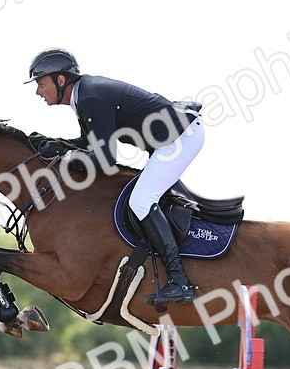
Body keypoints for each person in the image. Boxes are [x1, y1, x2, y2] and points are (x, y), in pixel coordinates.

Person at [26, 48, 203, 304]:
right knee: (142, 197)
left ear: (60, 80)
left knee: (141, 200)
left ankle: (179, 280)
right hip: (169, 140)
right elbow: (90, 143)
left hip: (181, 138)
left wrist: (65, 158)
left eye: (41, 84)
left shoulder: (90, 98)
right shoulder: (84, 95)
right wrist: (57, 144)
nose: (38, 92)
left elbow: (105, 160)